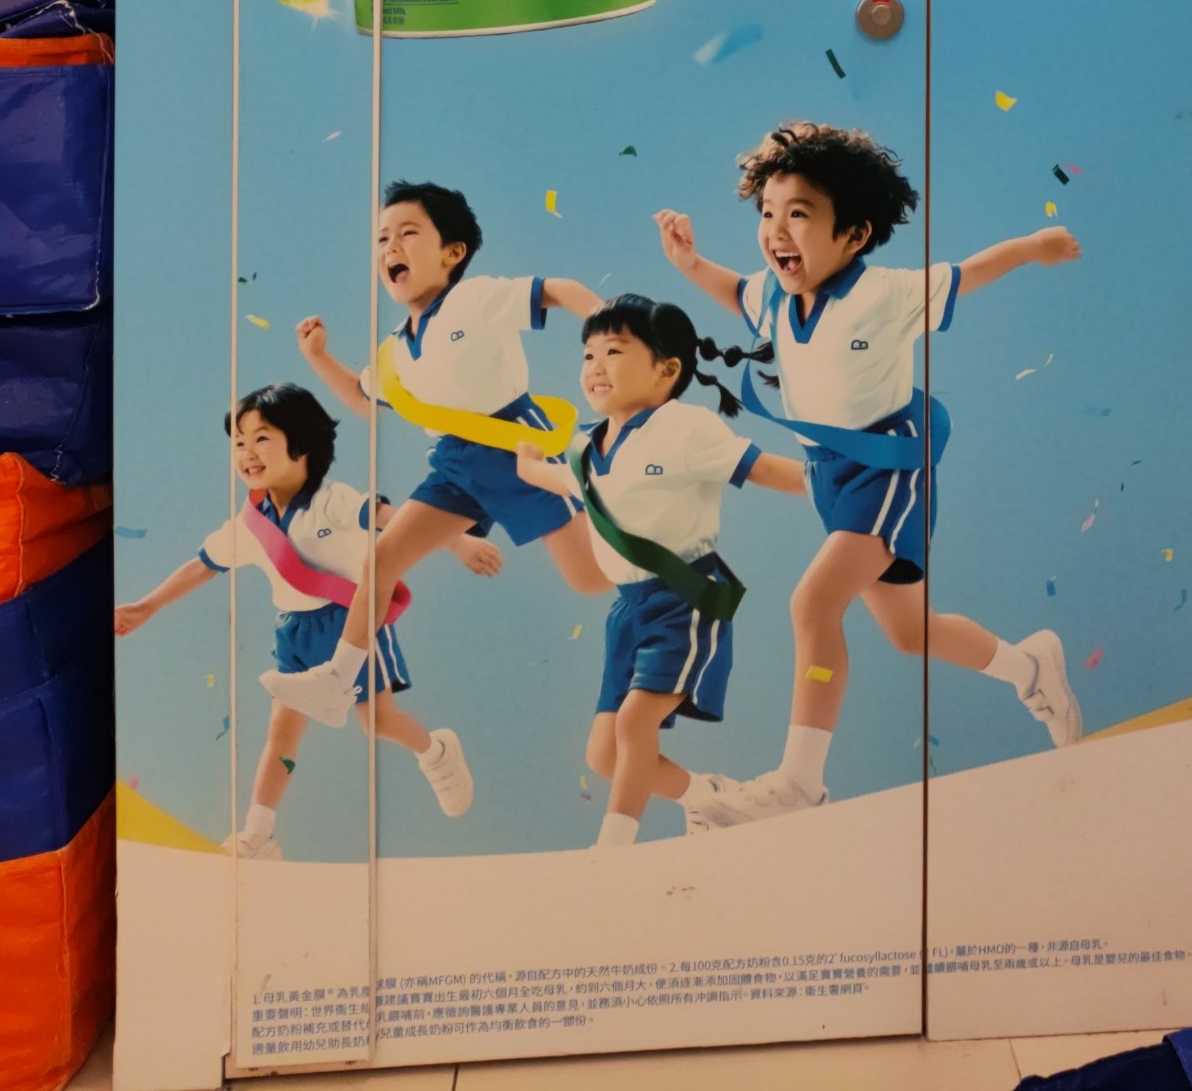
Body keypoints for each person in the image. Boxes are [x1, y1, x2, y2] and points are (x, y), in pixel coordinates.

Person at [658, 119, 1084, 827]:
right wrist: (689, 263)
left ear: (854, 234)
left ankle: (799, 784)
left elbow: (968, 272)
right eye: (768, 213)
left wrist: (1034, 248)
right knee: (912, 633)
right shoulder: (774, 295)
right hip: (830, 476)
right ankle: (1031, 667)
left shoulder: (883, 294)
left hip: (888, 468)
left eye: (799, 214)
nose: (777, 231)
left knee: (812, 605)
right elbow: (736, 293)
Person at [263, 180, 606, 728]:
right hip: (455, 463)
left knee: (589, 578)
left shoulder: (475, 299)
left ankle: (657, 543)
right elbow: (362, 399)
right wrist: (317, 356)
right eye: (382, 238)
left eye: (408, 233)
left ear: (452, 252)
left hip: (515, 445)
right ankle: (338, 680)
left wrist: (614, 329)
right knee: (381, 561)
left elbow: (558, 291)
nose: (391, 247)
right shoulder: (395, 351)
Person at [113, 381, 482, 855]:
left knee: (377, 722)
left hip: (353, 623)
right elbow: (202, 566)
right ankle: (259, 834)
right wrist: (146, 606)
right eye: (238, 442)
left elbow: (397, 519)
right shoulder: (251, 524)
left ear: (302, 442)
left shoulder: (333, 499)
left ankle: (436, 751)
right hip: (294, 631)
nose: (247, 453)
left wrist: (458, 540)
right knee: (281, 733)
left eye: (261, 438)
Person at [513, 292, 807, 845]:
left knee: (634, 723)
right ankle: (710, 799)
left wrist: (832, 485)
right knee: (604, 755)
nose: (596, 366)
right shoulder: (584, 449)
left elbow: (763, 469)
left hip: (685, 598)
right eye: (588, 355)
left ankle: (613, 850)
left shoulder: (685, 427)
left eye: (614, 351)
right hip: (627, 612)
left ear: (667, 370)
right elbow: (556, 479)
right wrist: (528, 463)